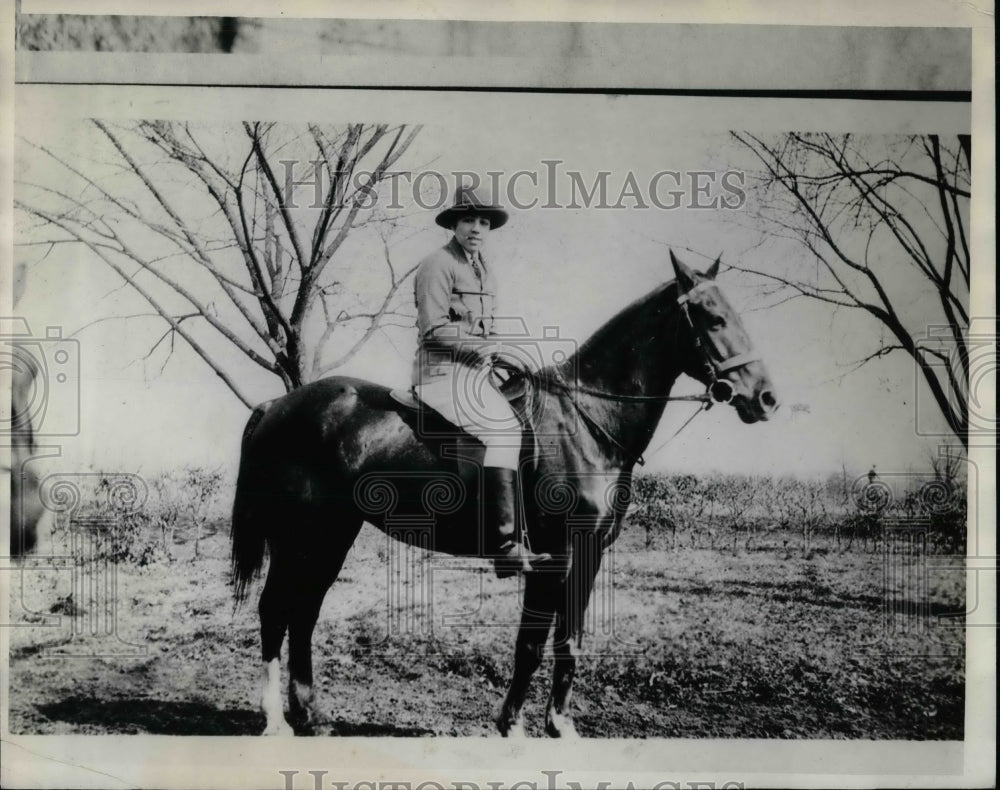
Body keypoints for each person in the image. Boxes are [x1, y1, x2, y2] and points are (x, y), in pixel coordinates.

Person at [411, 183, 550, 578]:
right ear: (454, 223)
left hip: (475, 376)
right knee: (504, 431)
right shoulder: (437, 264)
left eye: (484, 221)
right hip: (440, 374)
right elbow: (433, 328)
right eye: (469, 219)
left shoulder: (482, 267)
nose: (477, 227)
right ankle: (505, 544)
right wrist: (481, 350)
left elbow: (484, 330)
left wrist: (499, 353)